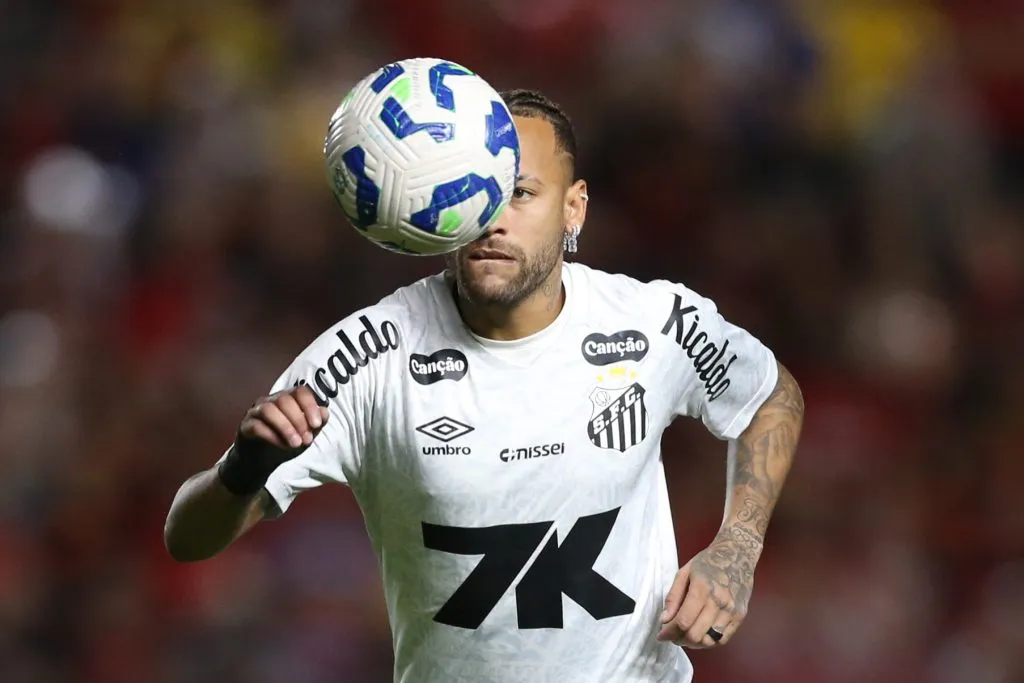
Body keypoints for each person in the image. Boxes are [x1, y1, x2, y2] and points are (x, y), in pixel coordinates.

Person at [164, 87, 804, 683]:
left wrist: (738, 547)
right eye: (472, 190)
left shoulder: (652, 324)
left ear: (573, 208)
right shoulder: (367, 357)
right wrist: (244, 471)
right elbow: (186, 540)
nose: (493, 217)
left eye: (520, 192)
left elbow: (770, 395)